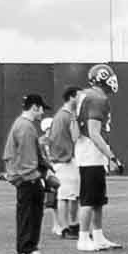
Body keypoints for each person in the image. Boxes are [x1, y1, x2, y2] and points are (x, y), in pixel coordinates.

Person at [73, 63, 124, 252]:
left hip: (89, 151)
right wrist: (111, 156)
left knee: (97, 199)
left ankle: (99, 235)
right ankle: (83, 238)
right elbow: (94, 132)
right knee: (88, 198)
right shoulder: (96, 98)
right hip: (90, 153)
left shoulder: (88, 95)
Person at [2, 93, 52, 254]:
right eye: (41, 109)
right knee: (31, 215)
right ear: (34, 107)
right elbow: (27, 158)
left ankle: (24, 250)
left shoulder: (21, 124)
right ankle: (28, 250)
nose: (42, 113)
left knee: (27, 215)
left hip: (24, 178)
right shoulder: (26, 127)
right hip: (28, 179)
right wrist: (37, 177)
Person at [44, 87, 81, 239]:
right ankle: (67, 227)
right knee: (66, 195)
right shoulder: (66, 116)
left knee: (69, 195)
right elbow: (74, 136)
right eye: (78, 96)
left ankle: (72, 225)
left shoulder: (62, 115)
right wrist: (65, 156)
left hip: (63, 160)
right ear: (72, 97)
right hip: (65, 160)